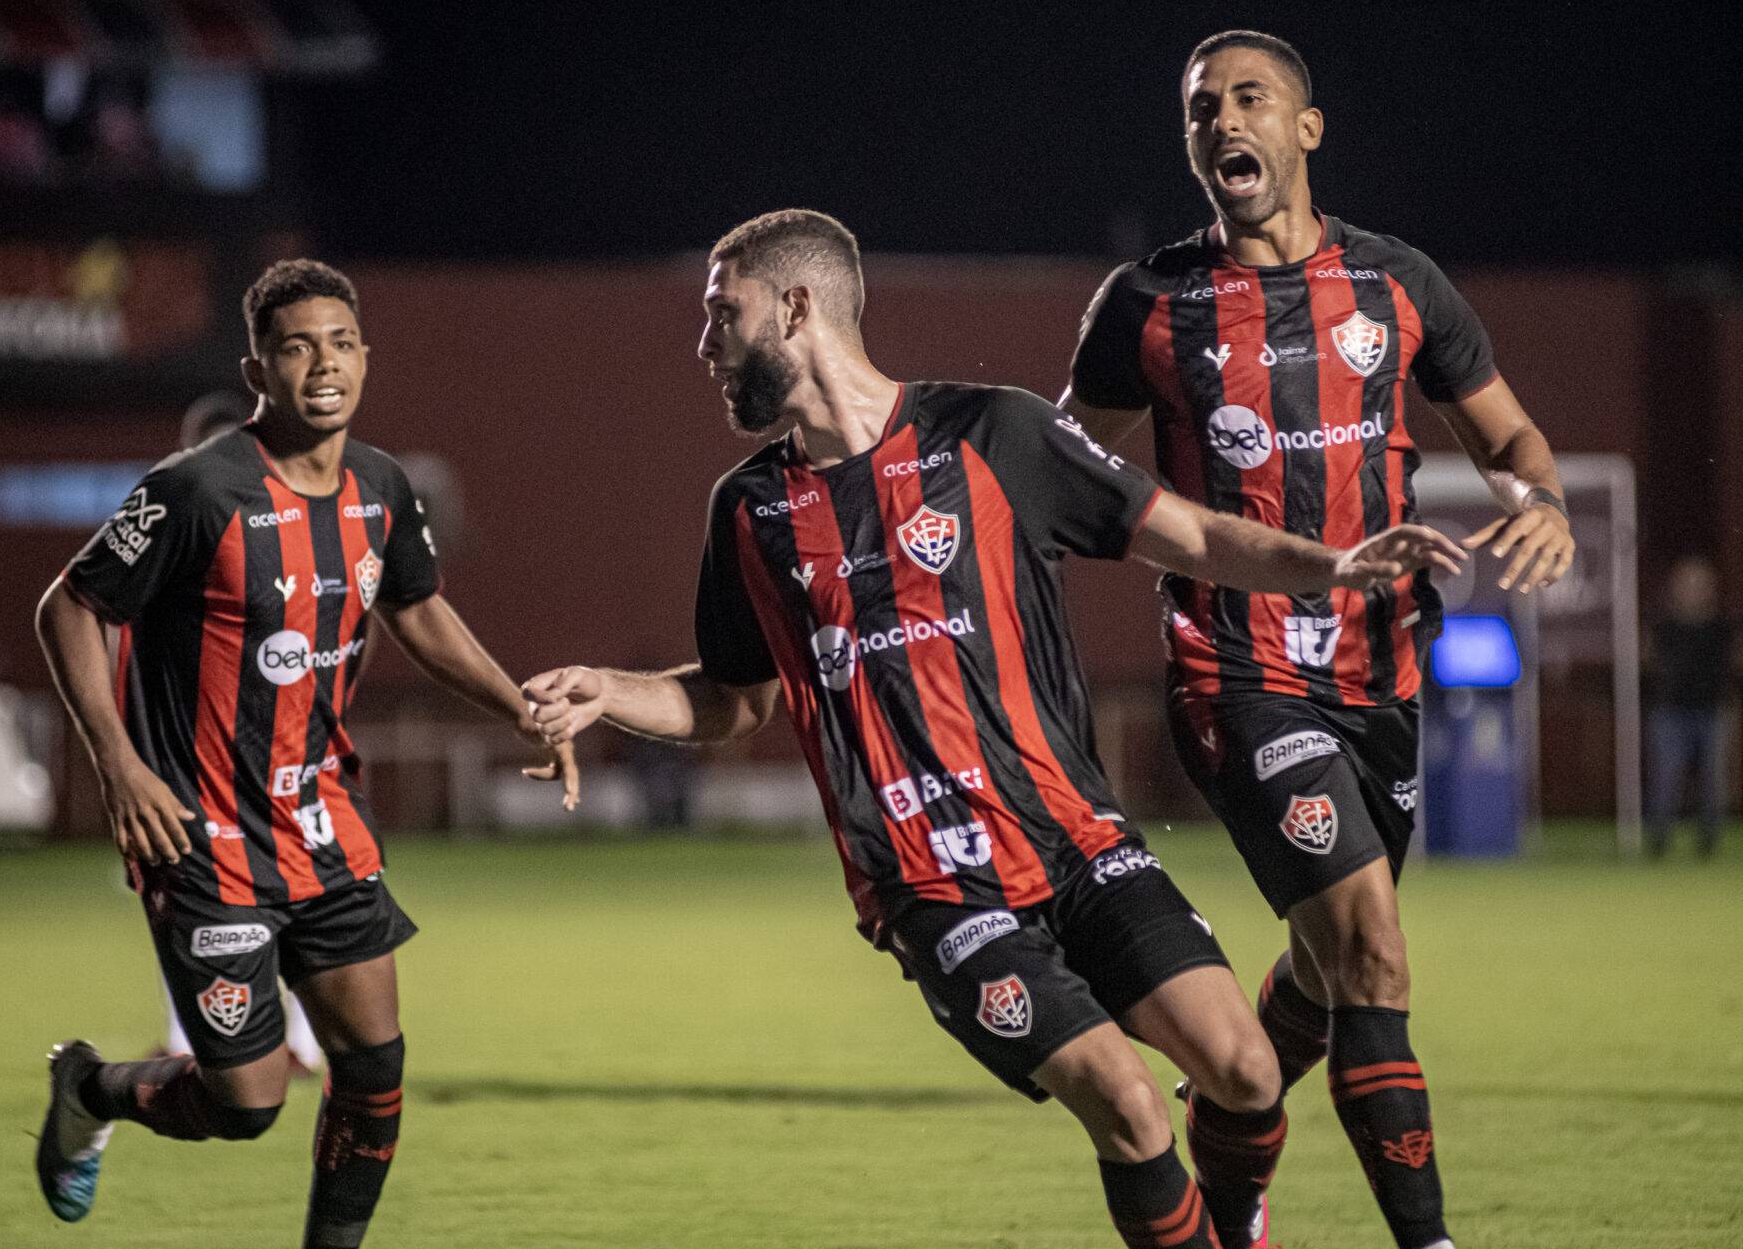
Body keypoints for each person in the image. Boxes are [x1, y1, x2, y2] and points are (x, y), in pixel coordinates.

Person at [523, 209, 1463, 1249]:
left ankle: (1234, 1221)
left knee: (1243, 1072)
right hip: (935, 888)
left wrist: (1331, 564)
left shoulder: (995, 433)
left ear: (795, 307)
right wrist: (608, 688)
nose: (705, 344)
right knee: (1130, 1104)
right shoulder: (748, 512)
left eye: (721, 312)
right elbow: (735, 699)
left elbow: (1190, 533)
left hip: (1081, 845)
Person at [1059, 31, 1576, 1249]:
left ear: (1307, 129)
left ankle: (1230, 1196)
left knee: (1324, 953)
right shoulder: (1148, 303)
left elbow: (1509, 444)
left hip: (1384, 664)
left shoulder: (1398, 286)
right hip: (1237, 671)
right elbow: (1061, 476)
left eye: (1249, 100)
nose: (1222, 121)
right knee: (1372, 949)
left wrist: (1542, 504)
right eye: (1201, 109)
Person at [32, 259, 578, 1247]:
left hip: (324, 827)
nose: (322, 363)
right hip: (205, 843)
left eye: (339, 342)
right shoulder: (199, 489)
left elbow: (416, 608)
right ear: (259, 367)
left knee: (373, 1076)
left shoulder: (382, 485)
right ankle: (90, 1088)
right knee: (247, 1103)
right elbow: (70, 603)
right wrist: (118, 762)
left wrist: (519, 706)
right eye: (296, 346)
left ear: (364, 356)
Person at [149, 387, 328, 1075]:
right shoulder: (170, 532)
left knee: (308, 893)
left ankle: (304, 1045)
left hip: (283, 757)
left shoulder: (297, 525)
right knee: (186, 903)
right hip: (191, 761)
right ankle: (190, 1041)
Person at [1643, 555, 1737, 858]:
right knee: (1667, 776)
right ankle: (1660, 839)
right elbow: (1648, 664)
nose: (1693, 589)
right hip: (1670, 710)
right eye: (1687, 583)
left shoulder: (1724, 627)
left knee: (1713, 779)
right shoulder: (1662, 627)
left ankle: (1708, 840)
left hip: (1713, 710)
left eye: (1699, 584)